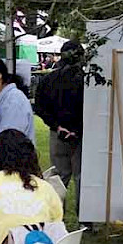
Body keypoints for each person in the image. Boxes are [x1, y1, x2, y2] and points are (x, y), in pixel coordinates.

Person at [34, 40, 85, 209]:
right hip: (80, 134)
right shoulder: (86, 81)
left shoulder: (48, 80)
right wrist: (76, 129)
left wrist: (56, 126)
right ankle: (84, 216)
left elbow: (39, 107)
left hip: (57, 133)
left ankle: (56, 213)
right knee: (81, 176)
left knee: (59, 176)